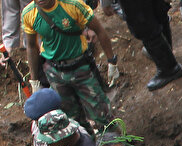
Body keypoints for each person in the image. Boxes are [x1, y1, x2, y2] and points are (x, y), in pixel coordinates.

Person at [21, 0, 118, 136]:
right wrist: (35, 80)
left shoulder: (73, 5)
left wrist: (112, 62)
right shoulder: (29, 13)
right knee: (71, 119)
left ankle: (115, 145)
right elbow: (31, 46)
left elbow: (99, 31)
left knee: (100, 112)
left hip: (80, 67)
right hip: (54, 71)